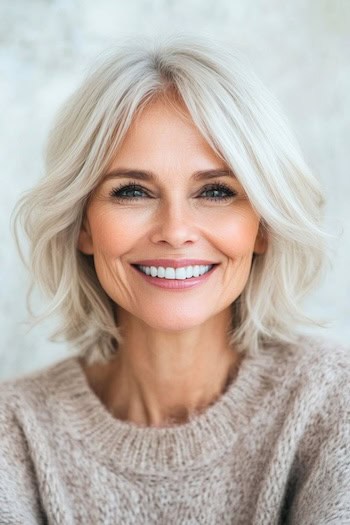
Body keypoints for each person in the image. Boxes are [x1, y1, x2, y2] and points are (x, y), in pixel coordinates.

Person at [1, 34, 349, 524]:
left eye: (214, 191)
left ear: (264, 227)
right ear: (81, 225)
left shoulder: (335, 403)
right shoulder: (11, 431)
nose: (176, 231)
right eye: (132, 191)